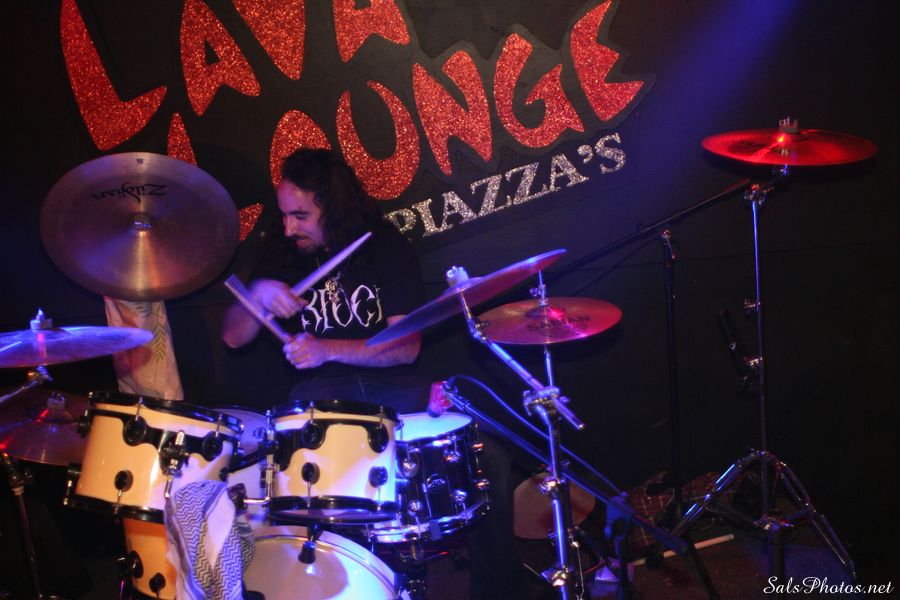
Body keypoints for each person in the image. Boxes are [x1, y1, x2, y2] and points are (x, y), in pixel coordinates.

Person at [222, 148, 541, 599]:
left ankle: (500, 593)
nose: (289, 227)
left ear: (331, 207)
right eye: (285, 215)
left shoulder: (384, 246)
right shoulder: (281, 253)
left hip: (396, 389)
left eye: (300, 216)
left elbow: (406, 349)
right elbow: (233, 338)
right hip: (323, 399)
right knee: (309, 482)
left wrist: (325, 349)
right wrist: (257, 294)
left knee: (486, 458)